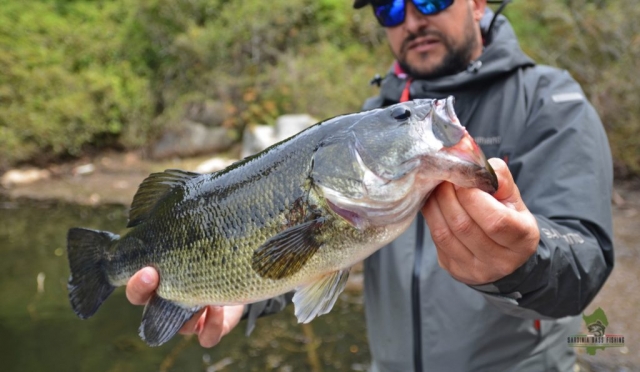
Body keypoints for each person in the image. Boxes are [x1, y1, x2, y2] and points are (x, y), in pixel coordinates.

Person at [126, 0, 614, 370]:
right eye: (389, 7)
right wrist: (239, 298)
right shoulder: (366, 122)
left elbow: (585, 259)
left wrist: (525, 262)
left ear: (480, 3)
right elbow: (294, 244)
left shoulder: (551, 102)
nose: (411, 20)